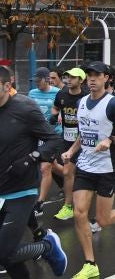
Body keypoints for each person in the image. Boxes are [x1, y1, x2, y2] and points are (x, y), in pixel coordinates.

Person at [62, 61, 115, 279]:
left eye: (97, 75)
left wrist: (110, 140)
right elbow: (84, 133)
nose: (91, 78)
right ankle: (90, 264)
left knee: (103, 219)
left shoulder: (113, 104)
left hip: (106, 168)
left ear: (106, 78)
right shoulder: (81, 102)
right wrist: (71, 151)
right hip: (85, 166)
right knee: (79, 213)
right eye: (89, 74)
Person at [0, 65, 69, 279]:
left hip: (21, 191)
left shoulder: (24, 109)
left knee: (3, 253)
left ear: (7, 86)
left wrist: (33, 157)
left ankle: (47, 246)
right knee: (8, 257)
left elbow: (54, 139)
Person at [50, 68, 87, 221]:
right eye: (68, 76)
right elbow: (56, 107)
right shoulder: (61, 94)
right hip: (65, 138)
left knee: (68, 172)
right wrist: (54, 115)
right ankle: (71, 200)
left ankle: (68, 206)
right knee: (58, 168)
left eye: (73, 77)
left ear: (81, 80)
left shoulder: (86, 97)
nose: (69, 79)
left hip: (82, 140)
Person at [27, 67, 59, 218]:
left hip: (51, 135)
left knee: (45, 168)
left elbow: (64, 110)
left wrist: (59, 116)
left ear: (47, 79)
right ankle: (69, 177)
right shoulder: (32, 93)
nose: (37, 84)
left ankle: (39, 204)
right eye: (35, 81)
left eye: (39, 81)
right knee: (53, 167)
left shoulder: (57, 93)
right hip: (35, 135)